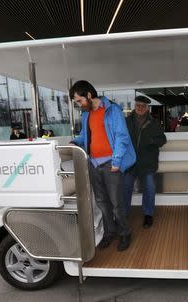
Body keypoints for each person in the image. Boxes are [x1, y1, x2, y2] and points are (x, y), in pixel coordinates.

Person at [70, 80, 135, 251]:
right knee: (101, 202)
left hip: (111, 164)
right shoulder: (86, 114)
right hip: (93, 163)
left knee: (116, 203)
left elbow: (122, 137)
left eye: (79, 100)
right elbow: (85, 137)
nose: (79, 105)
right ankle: (109, 232)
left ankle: (125, 232)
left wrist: (117, 161)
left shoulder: (113, 110)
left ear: (89, 95)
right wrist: (74, 142)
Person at [124, 96, 166, 228]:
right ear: (134, 106)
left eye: (143, 106)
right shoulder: (126, 121)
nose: (140, 108)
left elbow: (162, 140)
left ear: (147, 107)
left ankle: (148, 214)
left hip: (148, 163)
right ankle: (123, 214)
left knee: (150, 188)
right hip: (130, 163)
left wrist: (152, 141)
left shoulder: (153, 122)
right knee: (125, 188)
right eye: (138, 105)